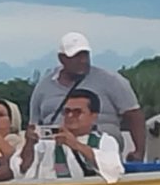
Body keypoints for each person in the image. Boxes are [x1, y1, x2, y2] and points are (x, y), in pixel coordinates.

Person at [28, 32, 145, 160]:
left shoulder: (112, 81)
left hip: (103, 152)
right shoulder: (43, 87)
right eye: (76, 56)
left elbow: (134, 115)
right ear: (62, 58)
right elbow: (34, 125)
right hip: (55, 155)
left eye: (85, 55)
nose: (83, 60)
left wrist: (139, 152)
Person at [12, 88, 125, 184]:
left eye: (77, 112)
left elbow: (113, 170)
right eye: (67, 111)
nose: (70, 115)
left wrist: (75, 145)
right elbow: (21, 170)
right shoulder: (47, 141)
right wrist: (29, 144)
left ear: (93, 116)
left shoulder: (105, 140)